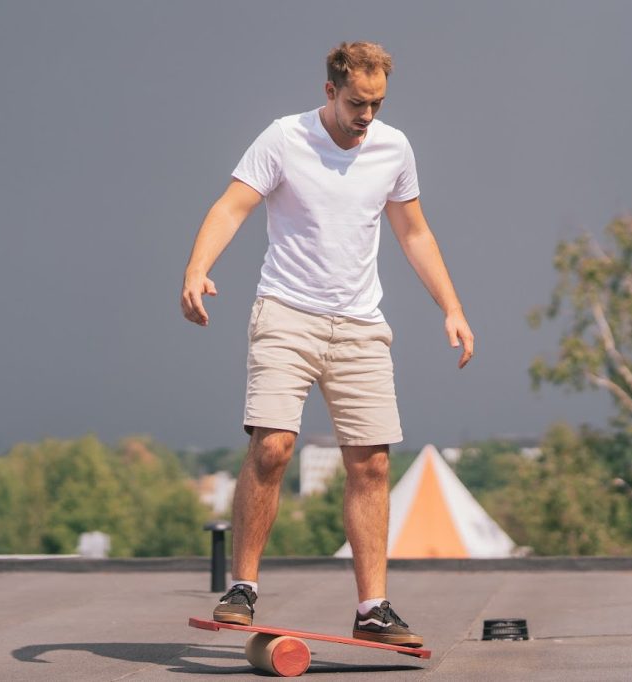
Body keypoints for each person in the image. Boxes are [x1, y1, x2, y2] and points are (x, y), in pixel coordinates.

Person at [181, 41, 474, 647]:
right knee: (274, 448)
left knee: (369, 462)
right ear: (330, 92)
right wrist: (196, 269)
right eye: (356, 103)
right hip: (285, 314)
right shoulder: (283, 138)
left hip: (361, 325)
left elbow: (414, 232)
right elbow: (232, 206)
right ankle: (243, 588)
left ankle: (373, 606)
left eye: (377, 103)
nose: (366, 116)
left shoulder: (394, 148)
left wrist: (452, 307)